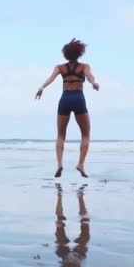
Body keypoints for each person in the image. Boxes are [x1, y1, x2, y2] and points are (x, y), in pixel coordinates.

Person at [35, 39, 99, 178]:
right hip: (78, 99)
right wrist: (93, 83)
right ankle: (80, 164)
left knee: (61, 135)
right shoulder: (84, 66)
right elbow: (89, 76)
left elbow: (51, 79)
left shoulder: (60, 68)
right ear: (79, 52)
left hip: (64, 99)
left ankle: (59, 164)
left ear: (66, 54)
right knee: (86, 135)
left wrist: (41, 88)